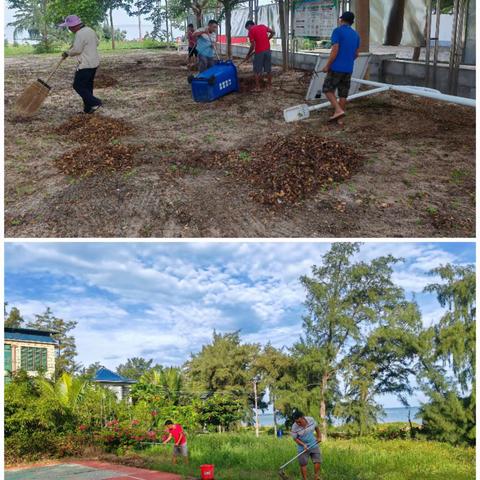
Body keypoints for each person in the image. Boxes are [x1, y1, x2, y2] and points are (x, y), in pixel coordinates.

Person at [321, 11, 360, 122]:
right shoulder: (356, 35)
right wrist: (347, 60)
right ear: (352, 22)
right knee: (343, 93)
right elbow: (356, 54)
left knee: (327, 89)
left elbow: (335, 49)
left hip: (336, 67)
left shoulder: (337, 31)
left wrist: (327, 65)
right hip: (348, 68)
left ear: (341, 20)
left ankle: (338, 110)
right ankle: (340, 119)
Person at [59, 15, 102, 114]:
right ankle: (88, 109)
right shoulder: (90, 30)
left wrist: (67, 53)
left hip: (86, 64)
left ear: (74, 26)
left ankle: (96, 102)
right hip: (94, 62)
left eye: (69, 27)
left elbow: (77, 50)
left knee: (78, 85)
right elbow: (97, 43)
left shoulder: (79, 34)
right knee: (87, 86)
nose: (69, 29)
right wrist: (76, 46)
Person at [244, 20, 275, 91]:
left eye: (247, 28)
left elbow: (252, 45)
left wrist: (248, 55)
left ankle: (258, 88)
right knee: (268, 69)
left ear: (249, 25)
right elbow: (273, 32)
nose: (248, 30)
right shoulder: (263, 26)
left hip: (259, 52)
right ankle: (270, 86)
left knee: (257, 70)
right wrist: (267, 39)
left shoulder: (251, 30)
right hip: (267, 51)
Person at [290, 411, 322, 480]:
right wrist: (303, 444)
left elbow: (317, 428)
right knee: (303, 464)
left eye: (299, 421)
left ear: (303, 418)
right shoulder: (294, 427)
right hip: (302, 447)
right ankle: (305, 479)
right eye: (296, 422)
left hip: (313, 444)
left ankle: (316, 476)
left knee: (317, 460)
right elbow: (295, 439)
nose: (298, 423)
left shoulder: (311, 420)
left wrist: (319, 436)